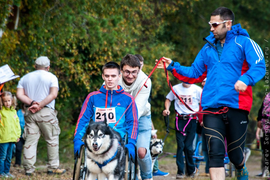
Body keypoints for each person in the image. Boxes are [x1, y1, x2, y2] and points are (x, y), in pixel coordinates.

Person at [157, 6, 266, 180]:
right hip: (211, 108)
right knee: (215, 151)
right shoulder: (207, 48)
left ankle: (240, 167)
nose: (211, 28)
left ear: (228, 24)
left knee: (235, 154)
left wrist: (245, 80)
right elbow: (194, 73)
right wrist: (173, 66)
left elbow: (259, 65)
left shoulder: (244, 43)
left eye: (215, 25)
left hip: (237, 106)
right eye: (210, 24)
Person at [73, 61, 138, 162]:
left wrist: (131, 142)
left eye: (113, 76)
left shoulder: (128, 99)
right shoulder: (92, 97)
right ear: (103, 76)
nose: (110, 79)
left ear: (119, 76)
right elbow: (83, 120)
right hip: (95, 138)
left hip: (117, 140)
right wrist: (77, 138)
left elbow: (133, 123)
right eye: (107, 76)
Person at [16, 56, 66, 176]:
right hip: (46, 112)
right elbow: (53, 94)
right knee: (52, 139)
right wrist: (41, 105)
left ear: (35, 66)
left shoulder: (25, 78)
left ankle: (28, 169)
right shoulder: (52, 77)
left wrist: (32, 103)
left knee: (30, 140)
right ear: (48, 67)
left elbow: (19, 94)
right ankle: (53, 167)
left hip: (29, 112)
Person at [118, 54, 152, 180]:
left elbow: (137, 109)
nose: (131, 75)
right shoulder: (113, 78)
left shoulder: (145, 81)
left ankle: (147, 176)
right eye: (127, 72)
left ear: (139, 70)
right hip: (118, 117)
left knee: (141, 152)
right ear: (121, 70)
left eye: (134, 72)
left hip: (140, 117)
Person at [135, 54, 169, 177]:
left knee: (144, 149)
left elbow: (145, 106)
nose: (138, 67)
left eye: (140, 64)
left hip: (143, 115)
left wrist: (151, 127)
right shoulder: (123, 77)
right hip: (126, 116)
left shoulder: (145, 81)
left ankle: (149, 174)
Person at [163, 82, 202, 179]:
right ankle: (180, 171)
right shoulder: (176, 88)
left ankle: (191, 170)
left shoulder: (197, 90)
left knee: (188, 147)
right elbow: (168, 99)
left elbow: (203, 104)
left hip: (192, 120)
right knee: (180, 146)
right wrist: (166, 109)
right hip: (179, 120)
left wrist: (203, 118)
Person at [0, 91, 21, 178]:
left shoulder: (14, 112)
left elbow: (17, 124)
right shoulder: (1, 112)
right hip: (4, 138)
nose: (7, 103)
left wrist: (18, 135)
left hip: (12, 138)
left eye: (9, 100)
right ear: (2, 102)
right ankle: (1, 173)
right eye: (5, 101)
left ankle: (6, 171)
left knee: (9, 157)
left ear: (12, 101)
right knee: (2, 157)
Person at [257, 92, 270, 177]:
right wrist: (259, 120)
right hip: (266, 127)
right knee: (265, 150)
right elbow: (261, 110)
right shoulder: (268, 96)